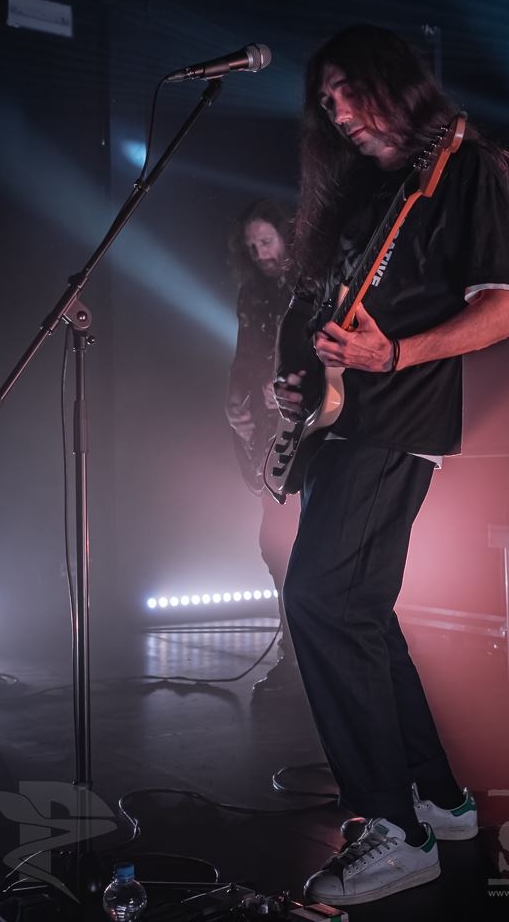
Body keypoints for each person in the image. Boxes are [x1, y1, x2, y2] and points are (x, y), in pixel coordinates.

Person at [273, 24, 509, 905]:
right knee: (362, 614)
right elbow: (332, 310)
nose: (336, 108)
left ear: (392, 81)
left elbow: (502, 311)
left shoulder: (462, 169)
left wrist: (392, 355)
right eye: (325, 97)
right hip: (341, 424)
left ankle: (392, 828)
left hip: (395, 421)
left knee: (318, 598)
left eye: (347, 87)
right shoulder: (364, 193)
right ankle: (438, 799)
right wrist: (301, 381)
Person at [225, 199, 301, 696]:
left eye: (266, 241)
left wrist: (293, 386)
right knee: (274, 546)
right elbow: (243, 356)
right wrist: (233, 403)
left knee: (297, 544)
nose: (261, 254)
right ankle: (292, 655)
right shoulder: (251, 294)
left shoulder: (312, 284)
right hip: (268, 436)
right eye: (252, 247)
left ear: (286, 235)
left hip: (313, 430)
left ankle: (305, 656)